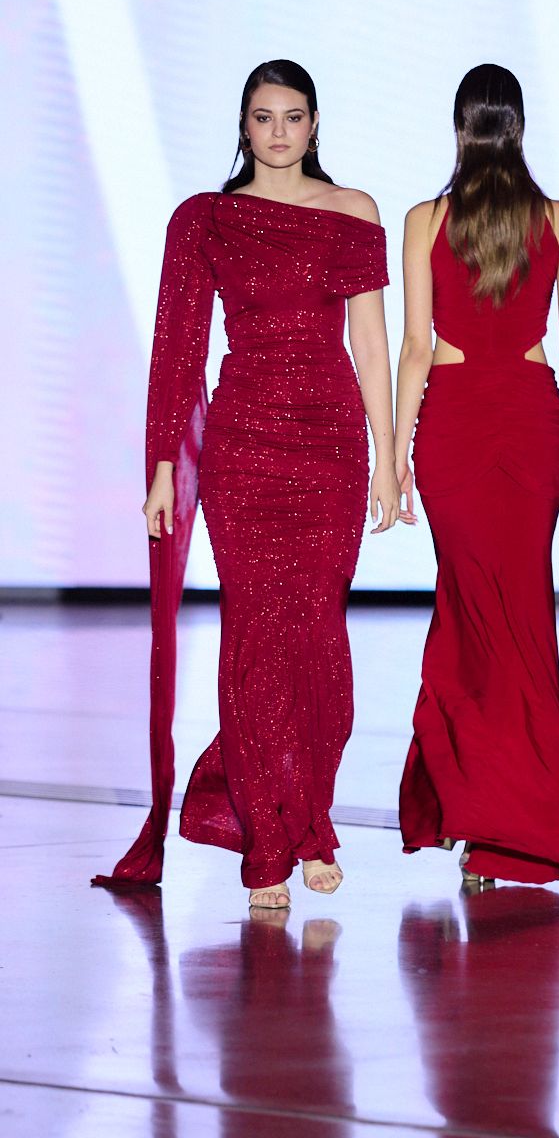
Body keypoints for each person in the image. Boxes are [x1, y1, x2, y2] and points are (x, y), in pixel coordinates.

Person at [94, 59, 398, 909]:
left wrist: (389, 456)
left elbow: (372, 344)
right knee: (255, 639)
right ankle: (276, 843)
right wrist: (164, 467)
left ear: (314, 124)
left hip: (330, 445)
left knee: (319, 640)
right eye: (263, 117)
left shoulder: (353, 212)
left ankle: (309, 814)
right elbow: (179, 348)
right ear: (244, 125)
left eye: (293, 116)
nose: (278, 132)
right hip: (244, 445)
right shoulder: (208, 219)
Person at [395, 64, 559, 885]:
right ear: (517, 126)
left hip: (451, 427)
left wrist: (394, 456)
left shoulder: (424, 220)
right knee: (520, 620)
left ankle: (480, 816)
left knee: (472, 619)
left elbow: (416, 349)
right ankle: (503, 829)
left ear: (460, 128)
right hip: (528, 425)